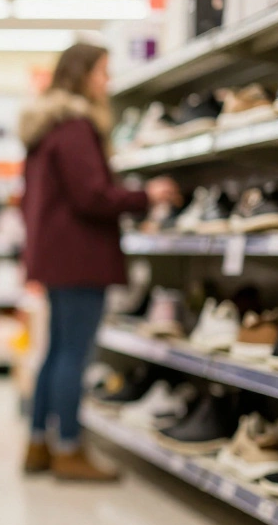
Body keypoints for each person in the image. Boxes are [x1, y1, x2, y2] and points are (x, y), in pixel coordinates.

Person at [19, 43, 179, 481]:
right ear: (82, 75)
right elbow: (91, 194)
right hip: (80, 256)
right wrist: (148, 196)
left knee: (55, 352)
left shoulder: (46, 127)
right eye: (102, 73)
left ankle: (39, 443)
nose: (107, 83)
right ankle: (69, 448)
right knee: (75, 354)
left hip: (56, 255)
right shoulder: (75, 127)